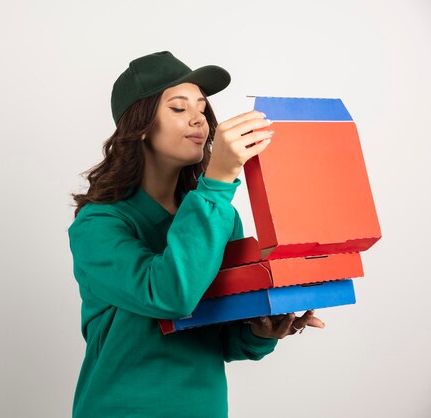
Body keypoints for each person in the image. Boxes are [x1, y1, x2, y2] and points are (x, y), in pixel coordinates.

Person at [68, 51, 325, 418]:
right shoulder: (98, 225)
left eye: (202, 108)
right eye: (178, 108)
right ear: (140, 126)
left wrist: (262, 330)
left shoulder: (218, 214)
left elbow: (216, 335)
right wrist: (219, 180)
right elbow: (171, 296)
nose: (199, 119)